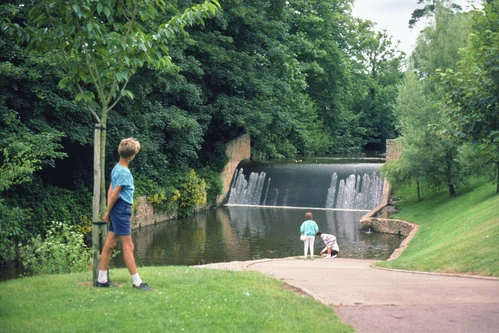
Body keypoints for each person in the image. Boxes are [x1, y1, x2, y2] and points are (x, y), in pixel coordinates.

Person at [96, 138, 152, 291]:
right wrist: (108, 212)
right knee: (129, 246)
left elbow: (110, 191)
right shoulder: (124, 172)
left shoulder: (116, 168)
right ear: (132, 155)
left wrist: (109, 210)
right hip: (121, 209)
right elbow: (115, 194)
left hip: (116, 209)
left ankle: (101, 280)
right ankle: (137, 283)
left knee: (110, 243)